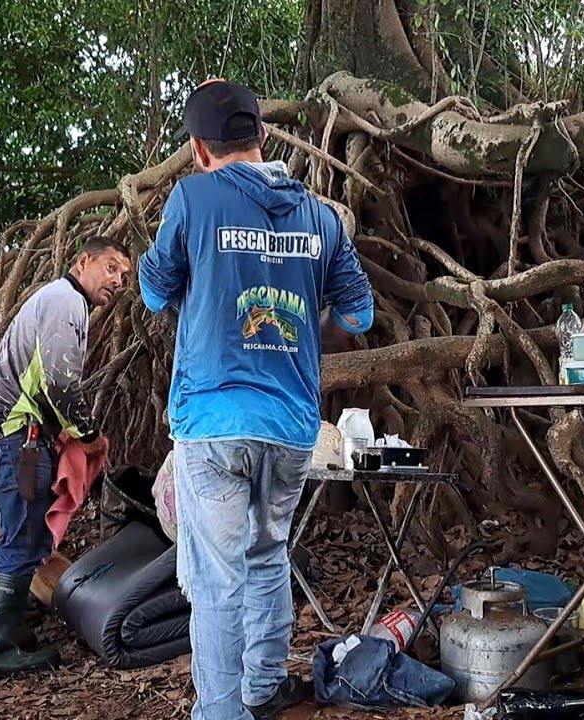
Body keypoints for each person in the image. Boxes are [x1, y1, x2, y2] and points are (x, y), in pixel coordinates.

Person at [139, 79, 374, 720]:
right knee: (267, 553)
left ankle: (221, 710)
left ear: (197, 149)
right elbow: (359, 314)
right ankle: (264, 685)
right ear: (263, 137)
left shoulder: (192, 198)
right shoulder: (322, 216)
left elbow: (156, 292)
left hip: (214, 423)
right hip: (291, 424)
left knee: (217, 581)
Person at [0, 235, 130, 678]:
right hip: (10, 439)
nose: (117, 280)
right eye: (111, 267)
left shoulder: (59, 301)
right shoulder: (65, 301)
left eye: (124, 276)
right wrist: (89, 437)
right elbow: (59, 382)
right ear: (82, 261)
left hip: (3, 437)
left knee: (18, 538)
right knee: (21, 539)